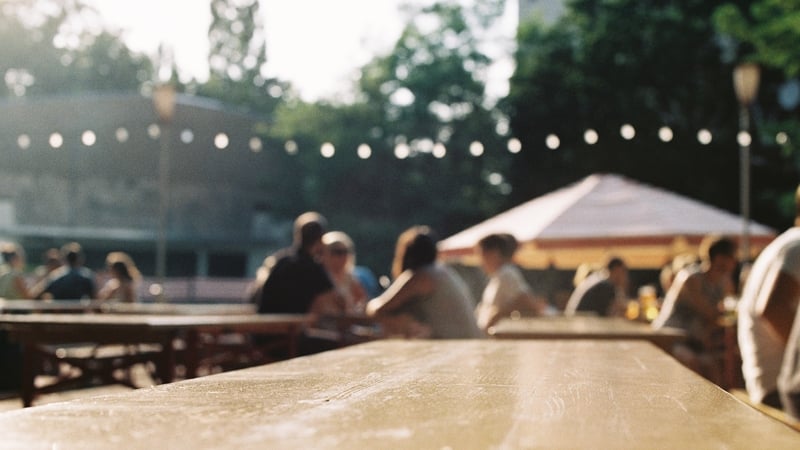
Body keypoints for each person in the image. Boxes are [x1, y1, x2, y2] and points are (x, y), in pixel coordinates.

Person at [740, 185, 800, 410]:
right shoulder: (798, 246)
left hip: (770, 385)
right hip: (783, 392)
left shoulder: (787, 242)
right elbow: (774, 309)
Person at [366, 226, 482, 339]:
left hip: (455, 348)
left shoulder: (423, 275)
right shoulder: (442, 271)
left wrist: (395, 319)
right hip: (469, 344)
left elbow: (376, 310)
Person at [653, 235, 738, 384]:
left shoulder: (724, 281)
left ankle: (717, 407)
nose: (735, 262)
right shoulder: (691, 278)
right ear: (720, 258)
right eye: (732, 257)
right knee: (693, 364)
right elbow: (710, 313)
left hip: (694, 341)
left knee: (717, 367)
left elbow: (721, 316)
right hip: (670, 337)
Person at [258, 212, 343, 318]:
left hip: (265, 328)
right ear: (320, 240)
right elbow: (338, 302)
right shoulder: (314, 267)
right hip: (288, 330)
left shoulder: (280, 260)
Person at [474, 233, 547, 332]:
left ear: (494, 253)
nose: (480, 261)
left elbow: (526, 302)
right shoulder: (499, 275)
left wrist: (497, 316)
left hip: (497, 334)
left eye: (482, 255)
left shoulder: (507, 273)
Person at [564, 256, 629, 317]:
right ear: (616, 269)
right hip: (580, 324)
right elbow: (611, 314)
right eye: (623, 271)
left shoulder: (598, 279)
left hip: (577, 321)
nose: (625, 276)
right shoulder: (605, 285)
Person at [321, 231, 368, 314]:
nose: (343, 256)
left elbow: (363, 300)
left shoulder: (350, 277)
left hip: (346, 321)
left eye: (346, 251)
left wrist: (357, 310)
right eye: (337, 252)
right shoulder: (320, 276)